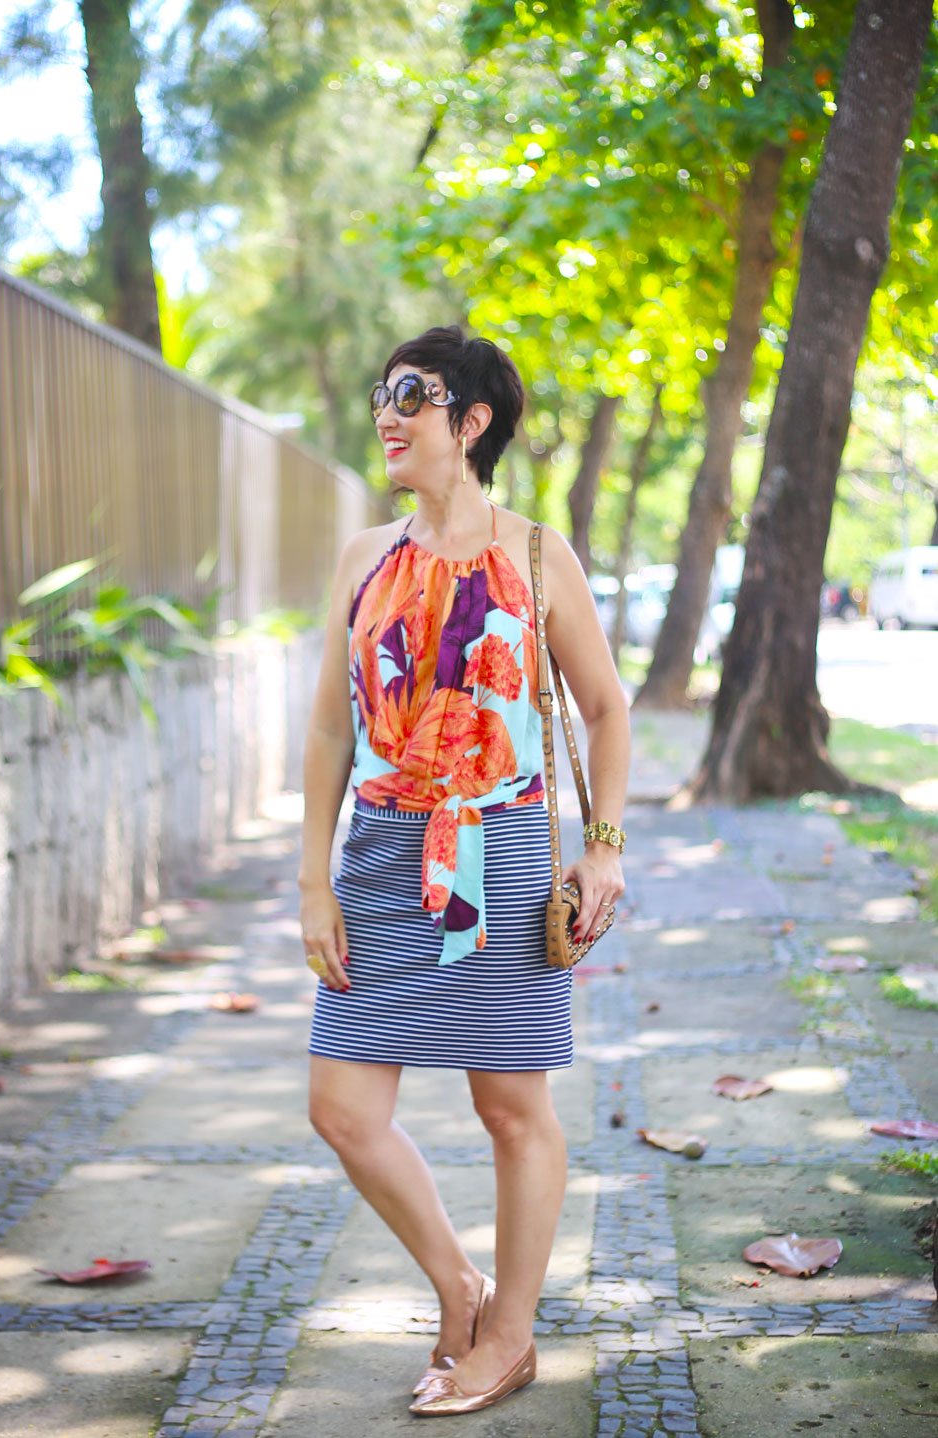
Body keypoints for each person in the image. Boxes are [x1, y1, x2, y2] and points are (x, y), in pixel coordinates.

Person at [299, 325, 629, 1417]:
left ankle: (511, 1336)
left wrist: (603, 846)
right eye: (382, 393)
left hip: (504, 849)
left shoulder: (537, 555)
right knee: (341, 1107)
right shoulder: (364, 556)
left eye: (413, 395)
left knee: (511, 1107)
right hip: (381, 852)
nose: (387, 415)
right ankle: (458, 1284)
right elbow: (329, 730)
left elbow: (605, 708)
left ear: (472, 420)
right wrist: (311, 881)